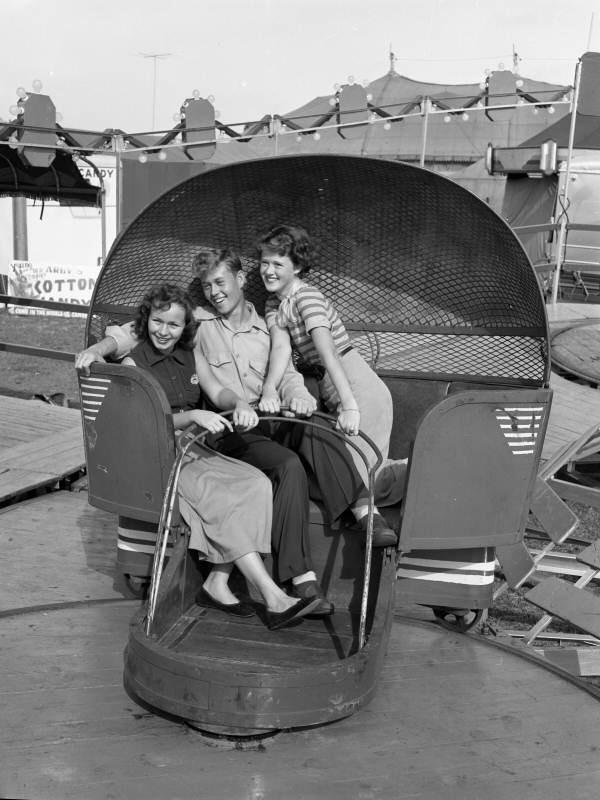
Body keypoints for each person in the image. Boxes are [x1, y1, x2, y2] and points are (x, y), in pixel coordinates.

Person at [98, 282, 319, 631]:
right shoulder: (134, 361)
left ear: (184, 327)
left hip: (194, 445)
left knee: (256, 483)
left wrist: (240, 403)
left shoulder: (189, 353)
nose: (164, 331)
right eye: (158, 321)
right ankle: (273, 596)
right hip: (159, 454)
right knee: (220, 496)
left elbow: (215, 389)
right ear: (147, 319)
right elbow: (142, 422)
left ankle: (217, 581)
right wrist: (190, 417)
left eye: (173, 325)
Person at [257, 223, 396, 542]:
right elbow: (281, 349)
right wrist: (268, 388)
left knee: (361, 472)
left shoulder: (307, 297)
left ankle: (378, 529)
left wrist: (350, 405)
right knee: (334, 471)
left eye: (278, 264)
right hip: (331, 384)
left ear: (298, 267)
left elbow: (328, 352)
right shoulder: (274, 304)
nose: (268, 270)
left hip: (353, 382)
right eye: (264, 262)